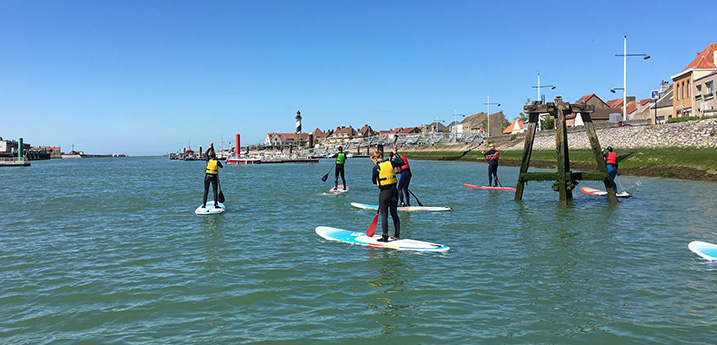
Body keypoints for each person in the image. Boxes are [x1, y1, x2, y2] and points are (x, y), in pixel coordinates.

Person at [370, 149, 402, 242]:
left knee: (384, 214)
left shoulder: (376, 168)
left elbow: (373, 181)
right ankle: (397, 235)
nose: (373, 162)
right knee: (394, 213)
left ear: (375, 158)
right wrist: (395, 153)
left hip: (384, 193)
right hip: (394, 192)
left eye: (372, 160)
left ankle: (385, 236)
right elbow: (401, 162)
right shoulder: (391, 163)